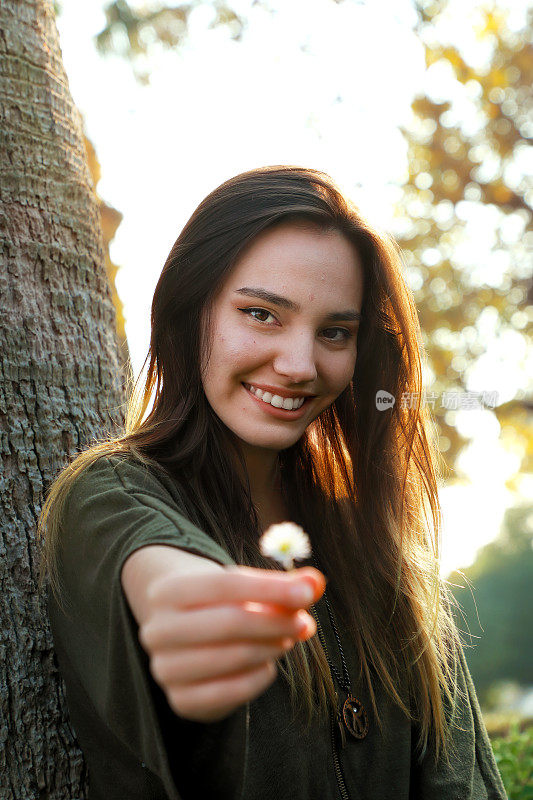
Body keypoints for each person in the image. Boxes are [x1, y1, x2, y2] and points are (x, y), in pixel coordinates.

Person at [38, 166, 507, 799]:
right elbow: (154, 562)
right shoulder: (109, 492)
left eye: (334, 332)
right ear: (192, 310)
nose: (299, 365)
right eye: (262, 314)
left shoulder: (372, 535)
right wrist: (188, 605)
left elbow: (456, 773)